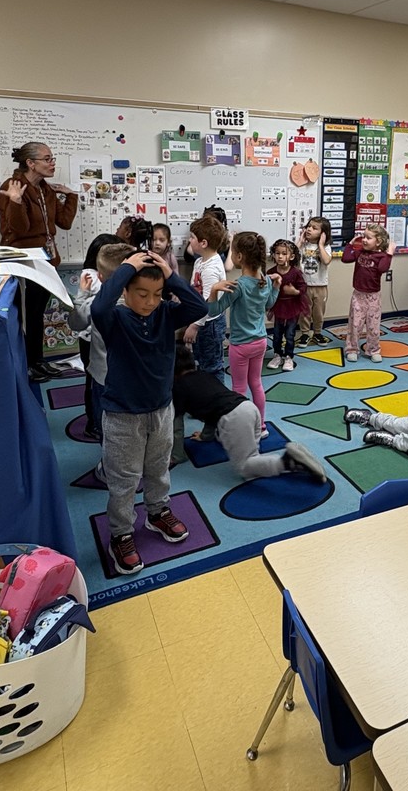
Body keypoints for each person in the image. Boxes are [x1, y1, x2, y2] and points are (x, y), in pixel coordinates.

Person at [90, 248, 208, 576]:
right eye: (141, 294)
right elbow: (99, 306)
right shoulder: (116, 319)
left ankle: (157, 513)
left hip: (160, 410)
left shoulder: (166, 314)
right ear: (125, 291)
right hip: (123, 416)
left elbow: (200, 306)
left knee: (158, 468)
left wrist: (170, 276)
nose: (150, 301)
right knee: (124, 480)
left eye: (157, 295)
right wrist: (126, 268)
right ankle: (121, 534)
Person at [171, 344, 326, 480]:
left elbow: (177, 426)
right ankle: (289, 461)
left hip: (233, 418)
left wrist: (177, 456)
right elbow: (211, 408)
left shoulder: (178, 387)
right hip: (248, 407)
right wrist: (206, 436)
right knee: (251, 457)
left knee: (245, 467)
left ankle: (288, 462)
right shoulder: (204, 375)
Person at [0, 142, 78, 381]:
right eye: (47, 159)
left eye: (52, 158)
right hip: (24, 263)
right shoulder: (13, 187)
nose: (52, 163)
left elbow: (64, 222)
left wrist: (71, 196)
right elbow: (19, 229)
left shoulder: (46, 189)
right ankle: (26, 365)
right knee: (24, 316)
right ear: (31, 163)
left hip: (46, 261)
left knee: (37, 314)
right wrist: (15, 202)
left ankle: (37, 361)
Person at [206, 231, 281, 438]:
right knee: (256, 383)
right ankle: (261, 427)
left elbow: (213, 310)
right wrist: (276, 288)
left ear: (239, 257)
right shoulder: (265, 280)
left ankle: (239, 431)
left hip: (240, 346)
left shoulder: (238, 286)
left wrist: (213, 290)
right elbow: (269, 305)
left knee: (238, 388)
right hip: (261, 342)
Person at [73, 233, 125, 438]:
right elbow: (78, 320)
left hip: (101, 348)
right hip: (91, 340)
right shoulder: (92, 277)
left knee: (98, 384)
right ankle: (94, 423)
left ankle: (99, 424)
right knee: (94, 383)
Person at [182, 214, 229, 384]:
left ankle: (217, 401)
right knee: (201, 362)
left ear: (203, 243)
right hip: (201, 320)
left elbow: (209, 303)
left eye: (192, 237)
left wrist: (194, 326)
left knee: (213, 367)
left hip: (210, 324)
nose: (189, 240)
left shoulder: (211, 268)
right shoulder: (200, 261)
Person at [341, 224, 395, 363]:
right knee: (355, 324)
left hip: (373, 297)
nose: (364, 240)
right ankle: (352, 349)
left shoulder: (381, 256)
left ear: (378, 241)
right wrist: (351, 244)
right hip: (358, 295)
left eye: (368, 238)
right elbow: (345, 258)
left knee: (373, 326)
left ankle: (373, 349)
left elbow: (383, 268)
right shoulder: (360, 252)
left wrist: (389, 253)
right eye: (364, 236)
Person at [266, 239, 307, 372]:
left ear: (291, 256)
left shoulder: (295, 272)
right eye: (277, 253)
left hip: (292, 306)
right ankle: (277, 355)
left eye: (284, 253)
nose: (280, 256)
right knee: (277, 333)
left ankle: (289, 356)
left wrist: (294, 291)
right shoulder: (271, 271)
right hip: (278, 306)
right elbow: (266, 288)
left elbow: (303, 288)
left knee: (290, 334)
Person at [296, 215, 332, 346]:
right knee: (304, 312)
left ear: (323, 233)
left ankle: (317, 333)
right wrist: (300, 241)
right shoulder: (303, 246)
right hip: (304, 286)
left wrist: (321, 244)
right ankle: (305, 334)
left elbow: (326, 261)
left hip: (320, 286)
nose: (309, 229)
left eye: (314, 228)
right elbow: (290, 257)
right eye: (308, 226)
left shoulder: (326, 247)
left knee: (318, 312)